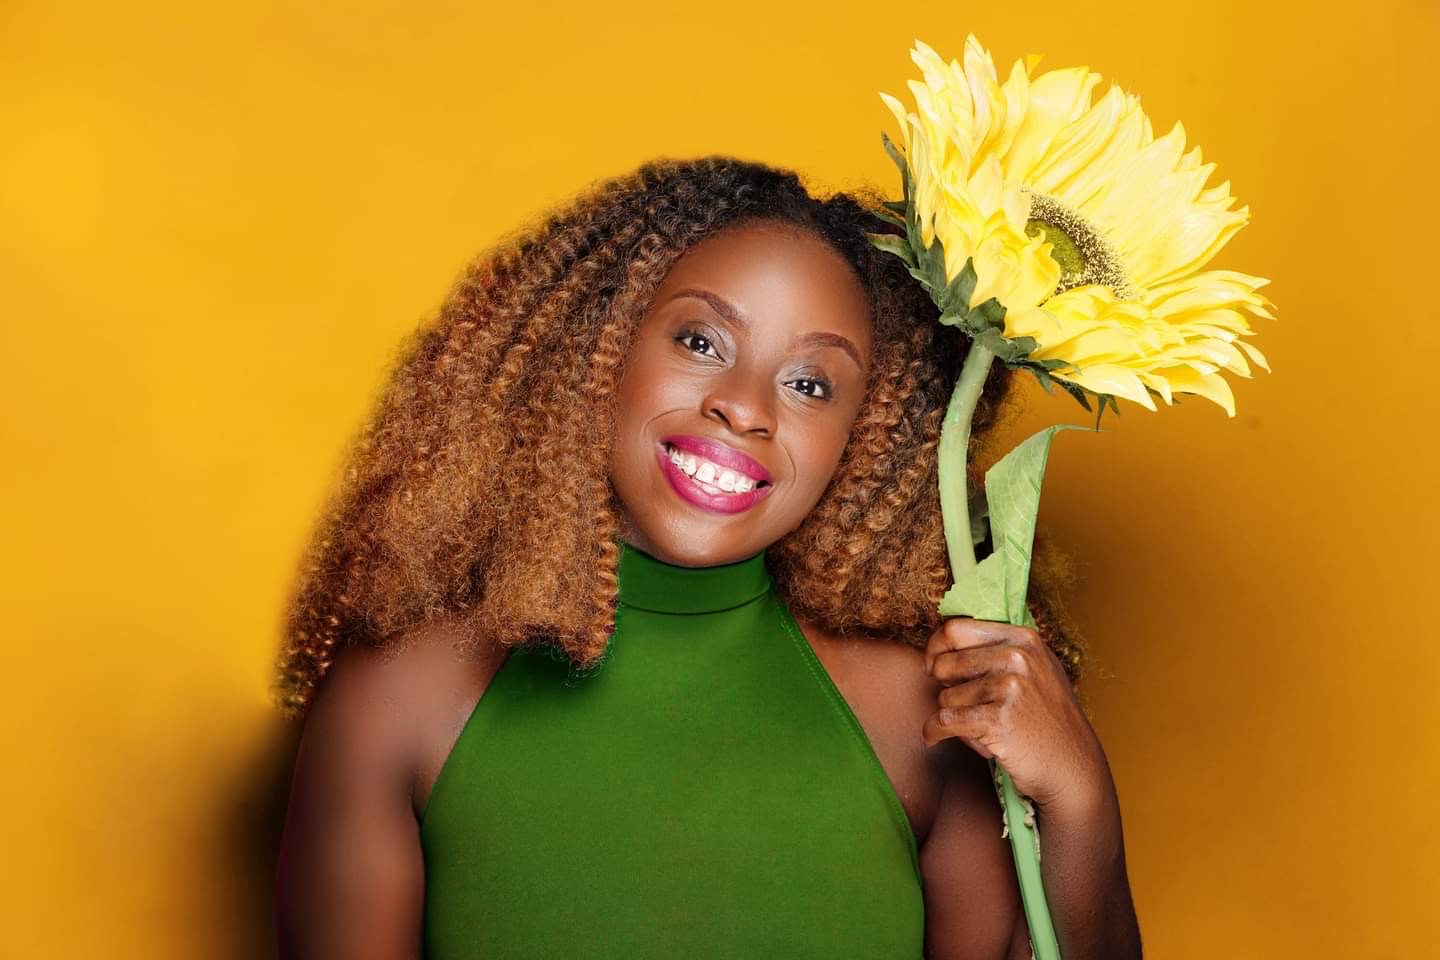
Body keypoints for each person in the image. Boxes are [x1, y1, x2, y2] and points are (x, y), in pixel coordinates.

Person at [273, 156, 1142, 959]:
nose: (744, 407)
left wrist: (1078, 792)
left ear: (866, 440)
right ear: (598, 350)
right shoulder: (396, 699)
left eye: (810, 384)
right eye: (700, 342)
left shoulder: (921, 715)